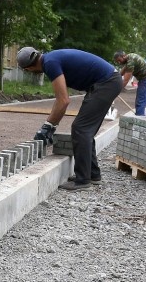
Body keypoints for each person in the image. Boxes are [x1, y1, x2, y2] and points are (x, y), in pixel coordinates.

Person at [16, 47, 122, 191]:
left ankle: (83, 180)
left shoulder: (50, 63)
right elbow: (61, 99)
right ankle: (92, 174)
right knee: (85, 129)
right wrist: (51, 125)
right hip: (107, 81)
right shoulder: (50, 59)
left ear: (28, 68)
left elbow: (63, 100)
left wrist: (47, 127)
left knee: (81, 128)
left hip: (106, 83)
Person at [113, 50, 146, 116]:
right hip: (144, 80)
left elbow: (125, 81)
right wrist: (115, 78)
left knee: (141, 101)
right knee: (140, 101)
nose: (119, 62)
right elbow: (122, 71)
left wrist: (117, 90)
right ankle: (139, 117)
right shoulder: (129, 57)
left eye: (119, 60)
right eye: (117, 61)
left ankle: (139, 119)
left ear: (123, 56)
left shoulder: (131, 62)